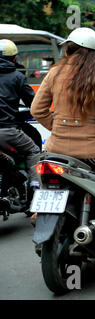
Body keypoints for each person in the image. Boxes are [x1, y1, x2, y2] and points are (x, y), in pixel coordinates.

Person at [30, 27, 95, 227]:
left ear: (70, 50)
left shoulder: (55, 72)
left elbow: (37, 109)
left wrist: (57, 128)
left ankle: (41, 207)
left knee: (43, 164)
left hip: (57, 149)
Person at [0, 39, 40, 201]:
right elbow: (34, 104)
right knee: (33, 151)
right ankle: (35, 189)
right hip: (8, 131)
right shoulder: (17, 77)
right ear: (14, 59)